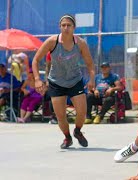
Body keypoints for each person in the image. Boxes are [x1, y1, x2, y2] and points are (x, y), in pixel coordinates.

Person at [32, 14, 95, 149]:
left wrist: (92, 79)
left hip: (75, 80)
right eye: (63, 25)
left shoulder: (81, 43)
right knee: (61, 117)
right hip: (56, 82)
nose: (66, 28)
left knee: (82, 112)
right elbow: (35, 60)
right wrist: (37, 79)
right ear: (60, 27)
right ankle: (67, 137)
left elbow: (90, 64)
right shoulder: (52, 42)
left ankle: (77, 131)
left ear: (74, 28)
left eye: (69, 25)